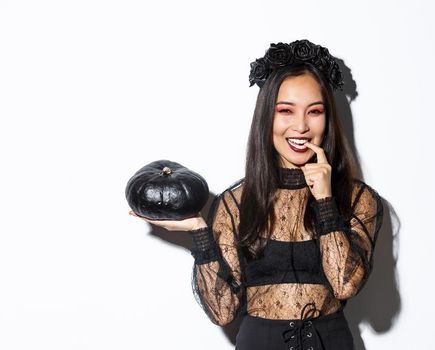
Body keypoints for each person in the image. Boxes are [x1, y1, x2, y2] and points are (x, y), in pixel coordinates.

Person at [129, 39, 384, 350]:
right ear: (267, 117)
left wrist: (326, 203)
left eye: (314, 111)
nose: (301, 126)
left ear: (327, 118)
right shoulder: (236, 202)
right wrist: (199, 233)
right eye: (285, 111)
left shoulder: (358, 198)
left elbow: (345, 285)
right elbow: (222, 312)